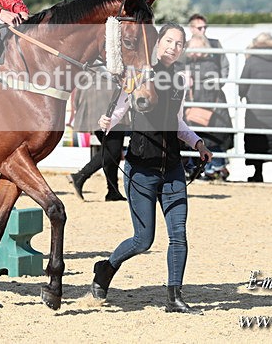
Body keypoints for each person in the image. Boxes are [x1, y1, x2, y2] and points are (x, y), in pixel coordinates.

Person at [90, 24, 211, 314]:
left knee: (178, 234)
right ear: (157, 44)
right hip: (140, 169)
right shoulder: (138, 74)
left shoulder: (181, 78)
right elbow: (120, 109)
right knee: (143, 240)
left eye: (179, 43)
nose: (173, 47)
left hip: (172, 168)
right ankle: (106, 268)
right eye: (168, 40)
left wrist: (197, 144)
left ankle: (174, 298)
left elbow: (177, 122)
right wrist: (107, 123)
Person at [238, 32, 272, 183]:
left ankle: (258, 173)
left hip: (257, 108)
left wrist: (241, 94)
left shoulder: (252, 60)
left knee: (257, 140)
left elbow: (243, 84)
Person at [66, 70, 128, 202]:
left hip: (95, 102)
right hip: (109, 101)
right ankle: (80, 176)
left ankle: (113, 191)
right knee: (113, 150)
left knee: (111, 151)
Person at [181, 33, 232, 181]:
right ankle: (203, 169)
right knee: (199, 140)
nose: (195, 51)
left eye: (198, 47)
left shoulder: (209, 65)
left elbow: (208, 89)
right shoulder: (187, 65)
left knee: (211, 141)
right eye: (192, 48)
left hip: (211, 112)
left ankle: (215, 169)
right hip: (200, 111)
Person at [184, 13, 229, 80]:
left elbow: (224, 65)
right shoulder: (185, 46)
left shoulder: (215, 44)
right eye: (200, 28)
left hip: (213, 85)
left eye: (205, 27)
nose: (203, 30)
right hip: (192, 86)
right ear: (191, 28)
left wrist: (220, 83)